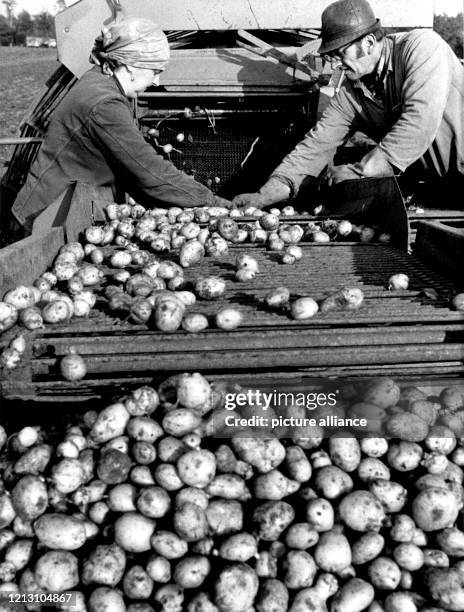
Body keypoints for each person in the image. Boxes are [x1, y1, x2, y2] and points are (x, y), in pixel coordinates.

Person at [233, 0, 464, 211]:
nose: (336, 64)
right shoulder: (352, 93)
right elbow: (315, 147)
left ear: (369, 43)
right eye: (331, 55)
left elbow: (418, 121)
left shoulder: (422, 48)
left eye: (340, 53)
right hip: (441, 188)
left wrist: (359, 172)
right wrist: (263, 196)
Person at [10, 17, 230, 234]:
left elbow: (130, 169)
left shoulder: (98, 83)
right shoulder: (105, 104)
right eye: (155, 71)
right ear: (131, 65)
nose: (156, 82)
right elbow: (146, 169)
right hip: (45, 219)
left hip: (58, 207)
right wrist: (212, 201)